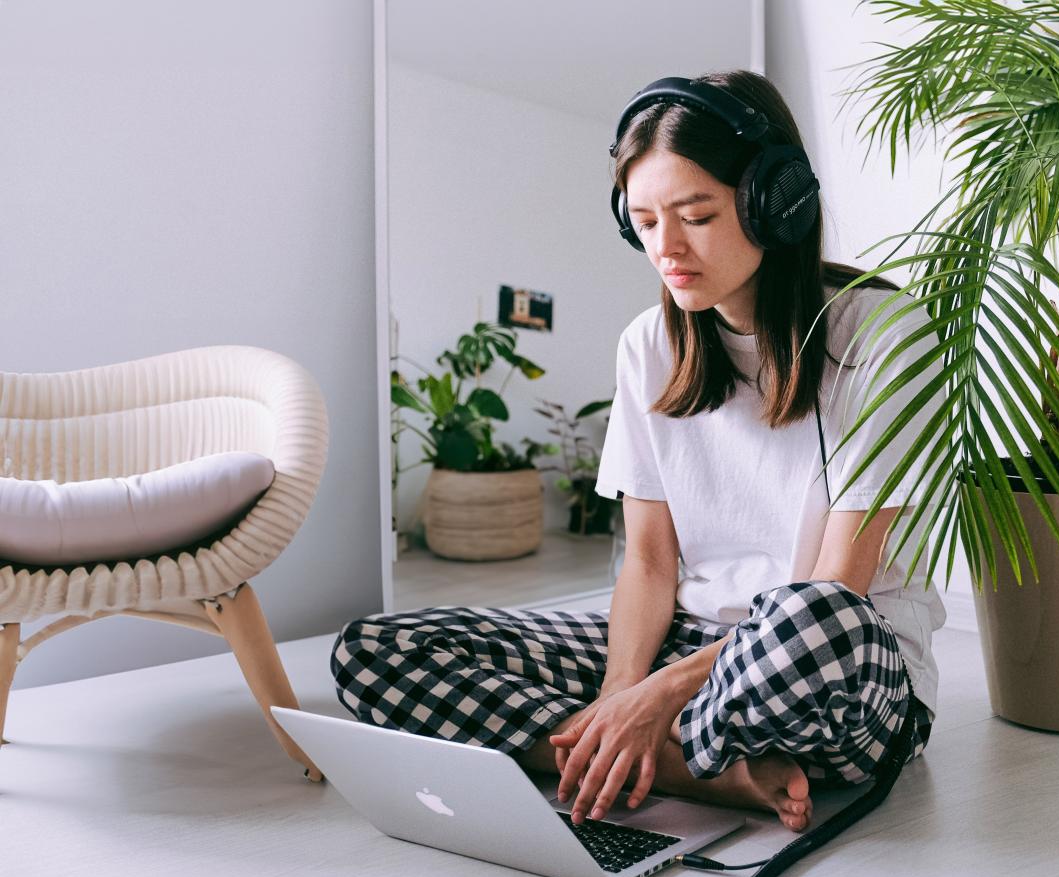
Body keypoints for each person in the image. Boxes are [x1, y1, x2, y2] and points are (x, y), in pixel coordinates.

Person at [332, 69, 945, 834]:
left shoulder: (883, 333)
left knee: (813, 615)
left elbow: (838, 585)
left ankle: (641, 748)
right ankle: (695, 769)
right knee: (380, 649)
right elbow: (651, 564)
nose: (667, 248)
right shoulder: (648, 345)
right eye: (646, 221)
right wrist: (621, 690)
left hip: (831, 667)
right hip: (688, 645)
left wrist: (653, 701)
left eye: (696, 216)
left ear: (775, 203)